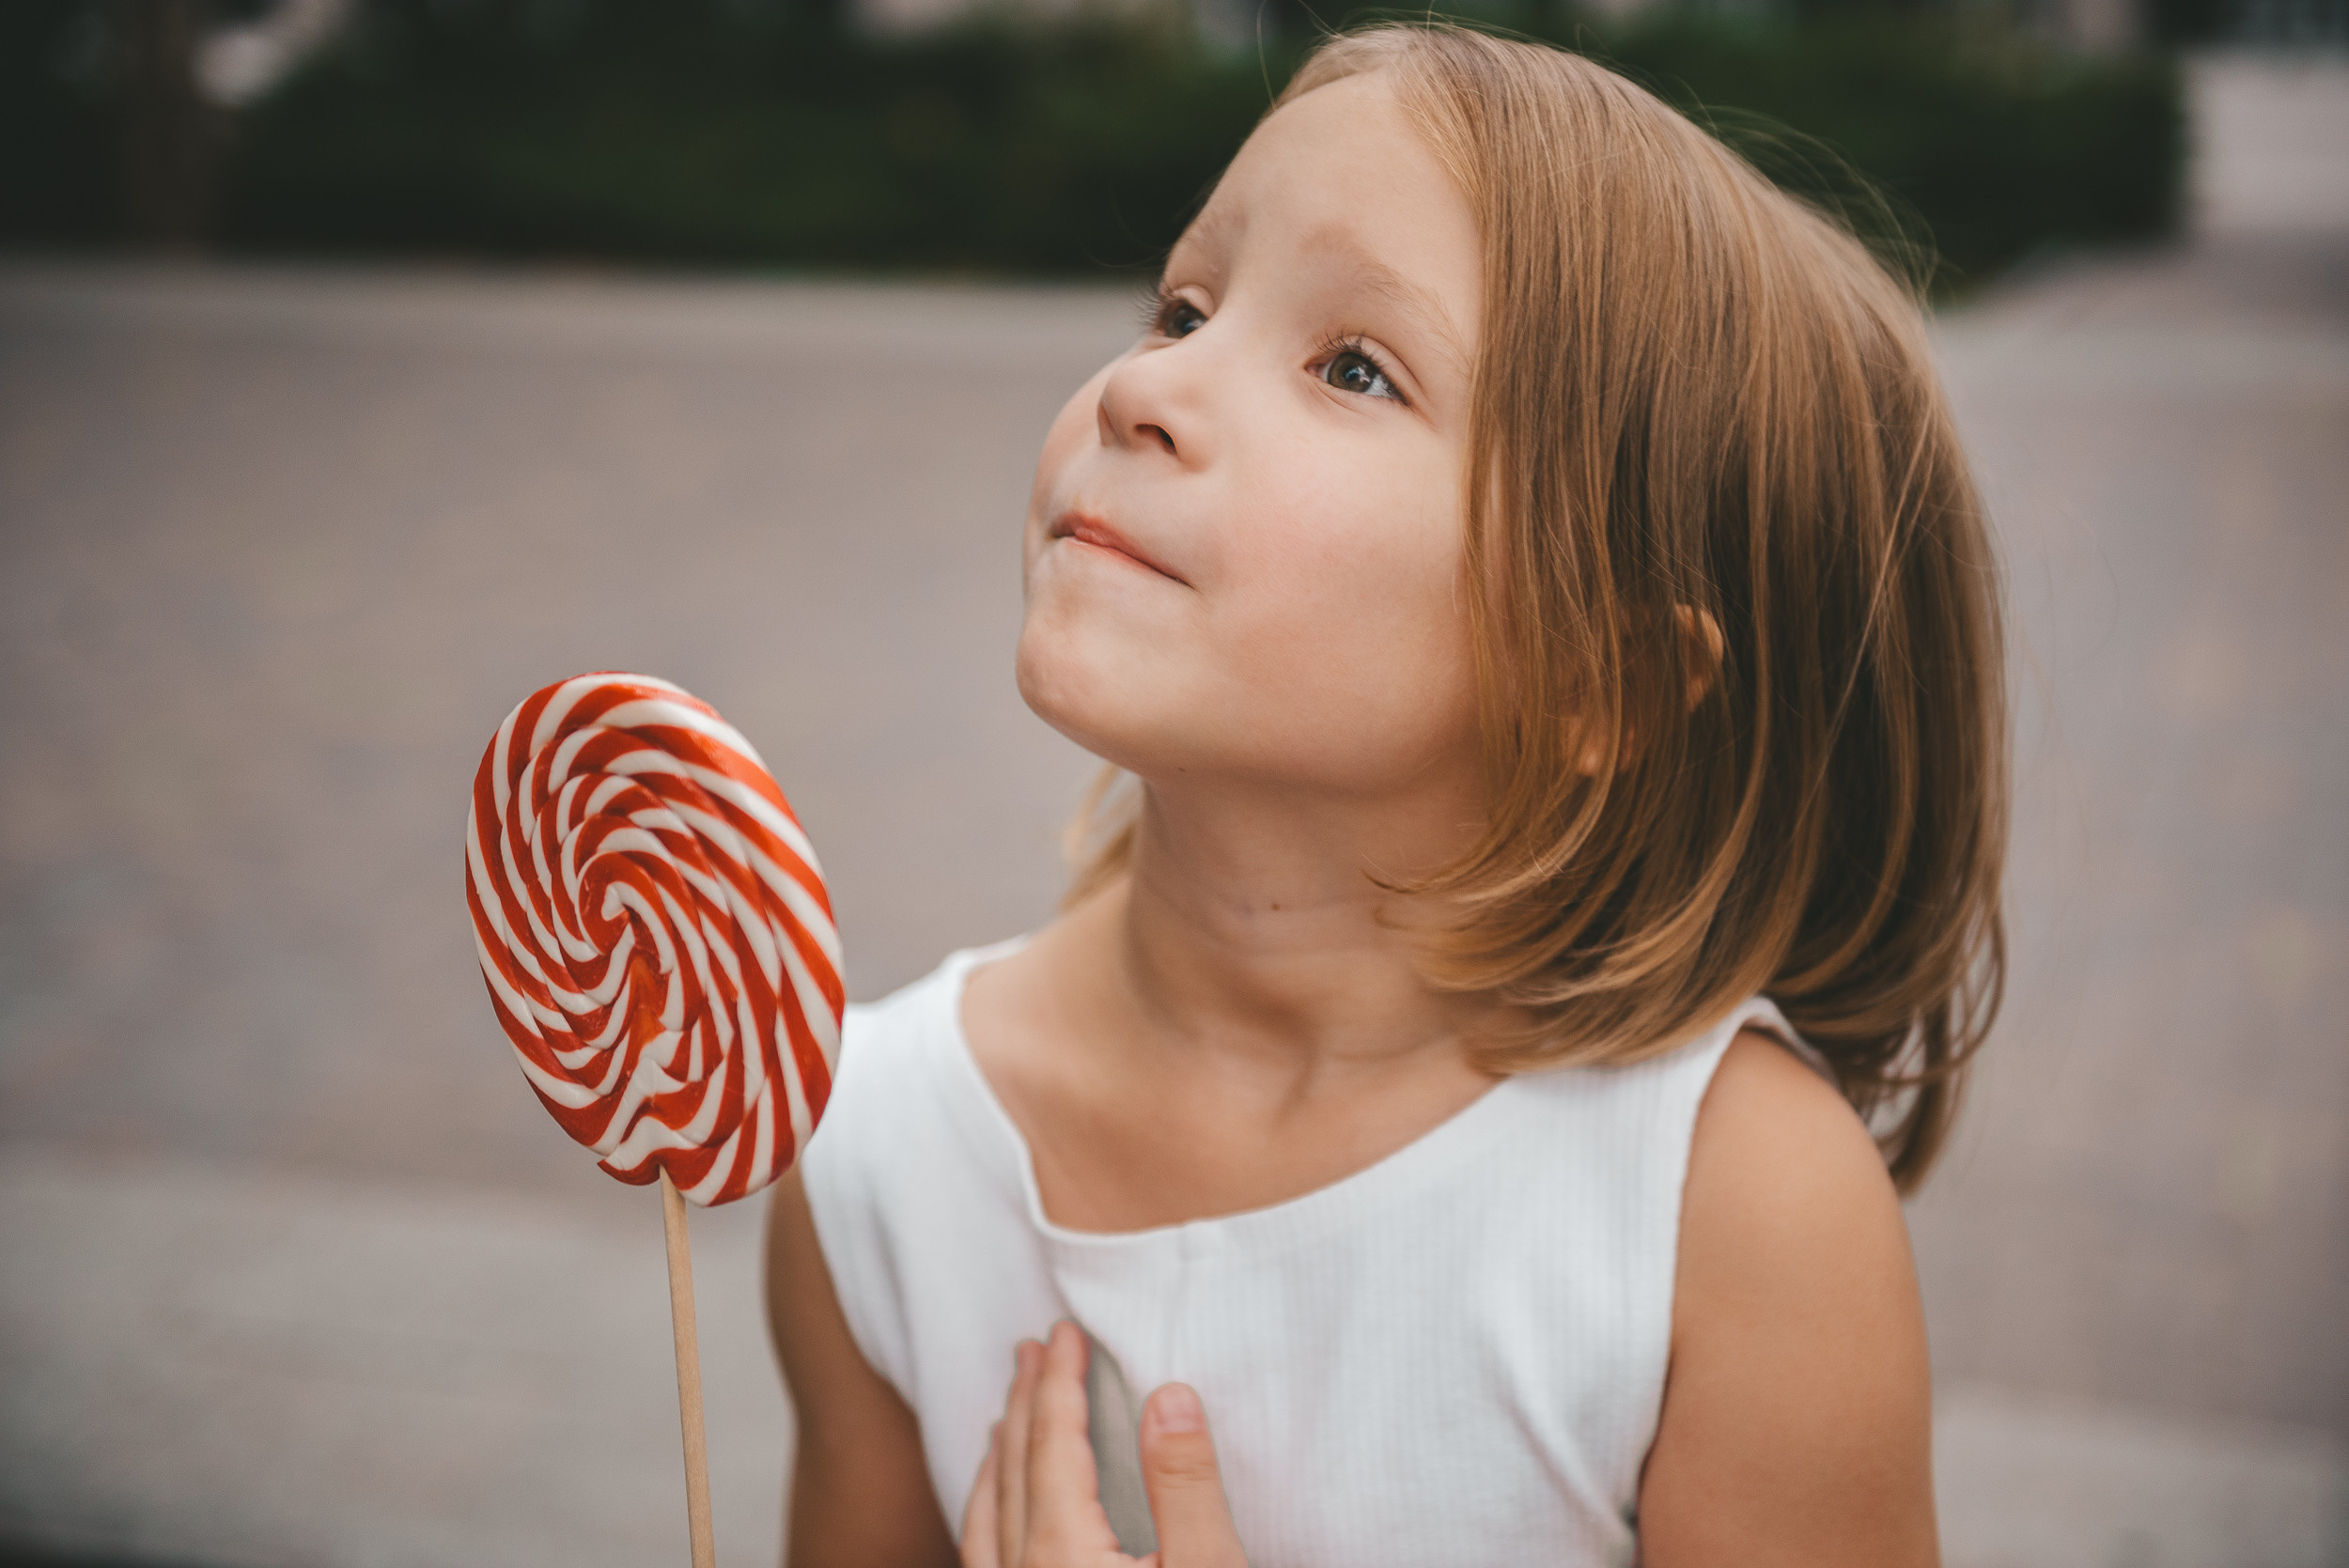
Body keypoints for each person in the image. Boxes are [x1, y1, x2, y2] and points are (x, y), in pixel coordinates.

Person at [764, 22, 2005, 1567]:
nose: (1149, 386)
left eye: (1354, 366)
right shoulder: (874, 1149)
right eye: (1185, 303)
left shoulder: (1729, 1219)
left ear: (1594, 680)